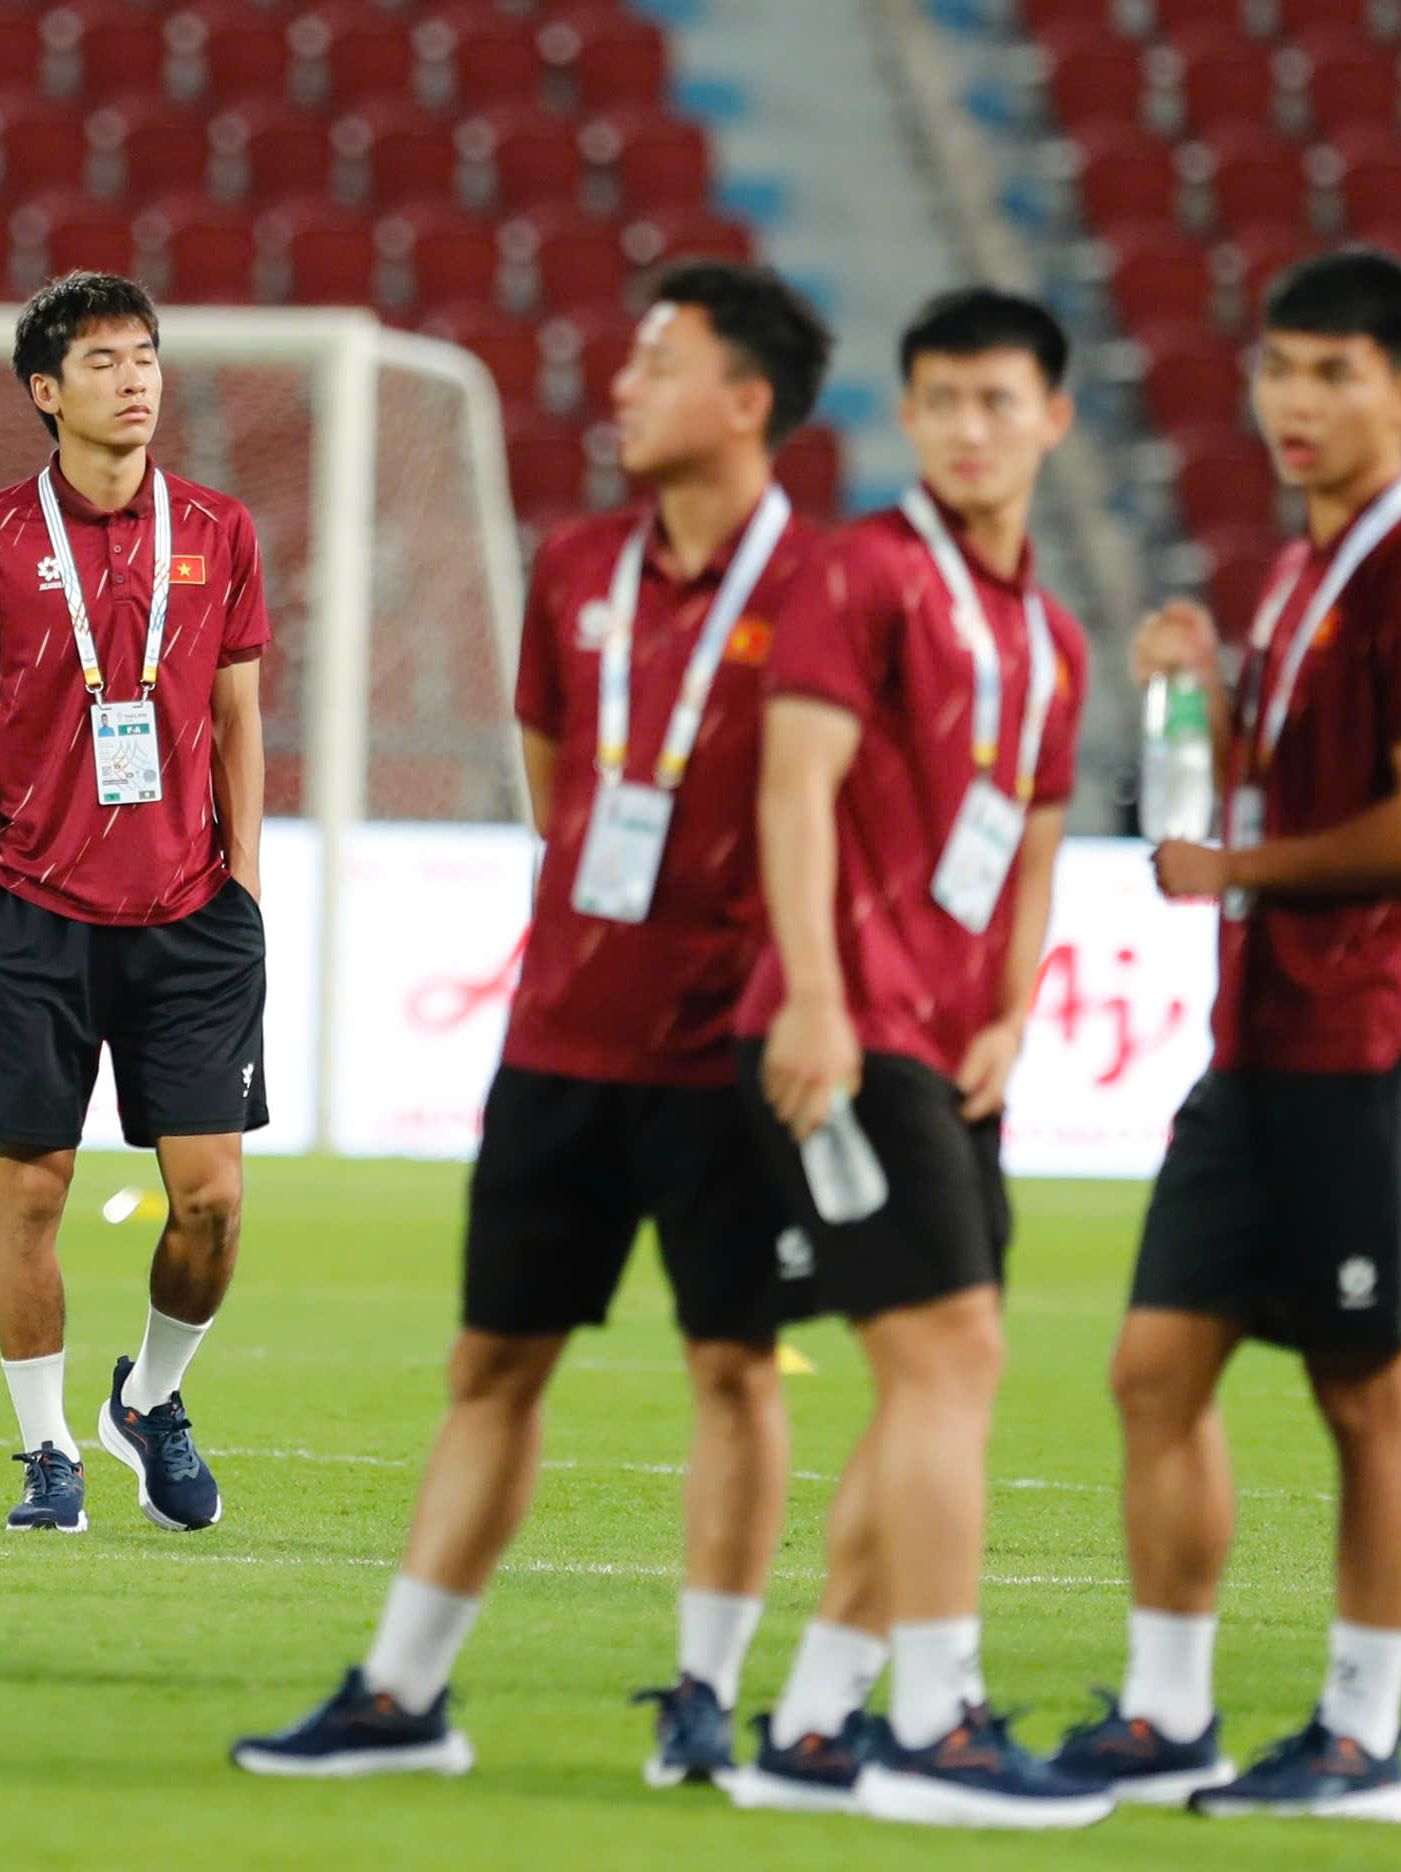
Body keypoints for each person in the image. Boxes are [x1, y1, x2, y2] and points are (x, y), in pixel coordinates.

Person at [231, 263, 836, 1780]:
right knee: (492, 1368)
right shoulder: (573, 567)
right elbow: (558, 788)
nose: (622, 386)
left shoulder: (829, 591)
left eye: (659, 362)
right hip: (562, 1040)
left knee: (734, 1369)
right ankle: (402, 1696)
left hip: (731, 1051)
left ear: (746, 400)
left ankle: (705, 1696)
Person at [1049, 247, 1401, 1822]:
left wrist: (1235, 872)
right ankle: (1170, 1717)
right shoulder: (1302, 569)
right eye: (1280, 368)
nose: (1297, 401)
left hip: (1376, 1045)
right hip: (1262, 1049)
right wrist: (1207, 704)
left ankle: (1362, 1741)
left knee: (1368, 1394)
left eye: (1336, 373)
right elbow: (1297, 779)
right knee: (1154, 1371)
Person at [728, 287, 1102, 1828]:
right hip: (845, 1032)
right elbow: (793, 789)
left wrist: (1009, 1014)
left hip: (950, 1050)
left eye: (996, 400)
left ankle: (818, 1725)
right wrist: (815, 997)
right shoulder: (863, 573)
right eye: (939, 400)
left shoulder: (1052, 639)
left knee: (935, 1381)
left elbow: (1035, 848)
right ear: (908, 415)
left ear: (1053, 419)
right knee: (950, 1362)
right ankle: (936, 1723)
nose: (966, 428)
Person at [0, 271, 268, 1538]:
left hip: (191, 913)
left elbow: (239, 714)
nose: (135, 381)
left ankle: (151, 1400)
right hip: (35, 910)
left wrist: (245, 880)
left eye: (146, 357)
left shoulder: (218, 527)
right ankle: (46, 1453)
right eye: (104, 361)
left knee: (211, 1202)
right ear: (45, 391)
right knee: (31, 1192)